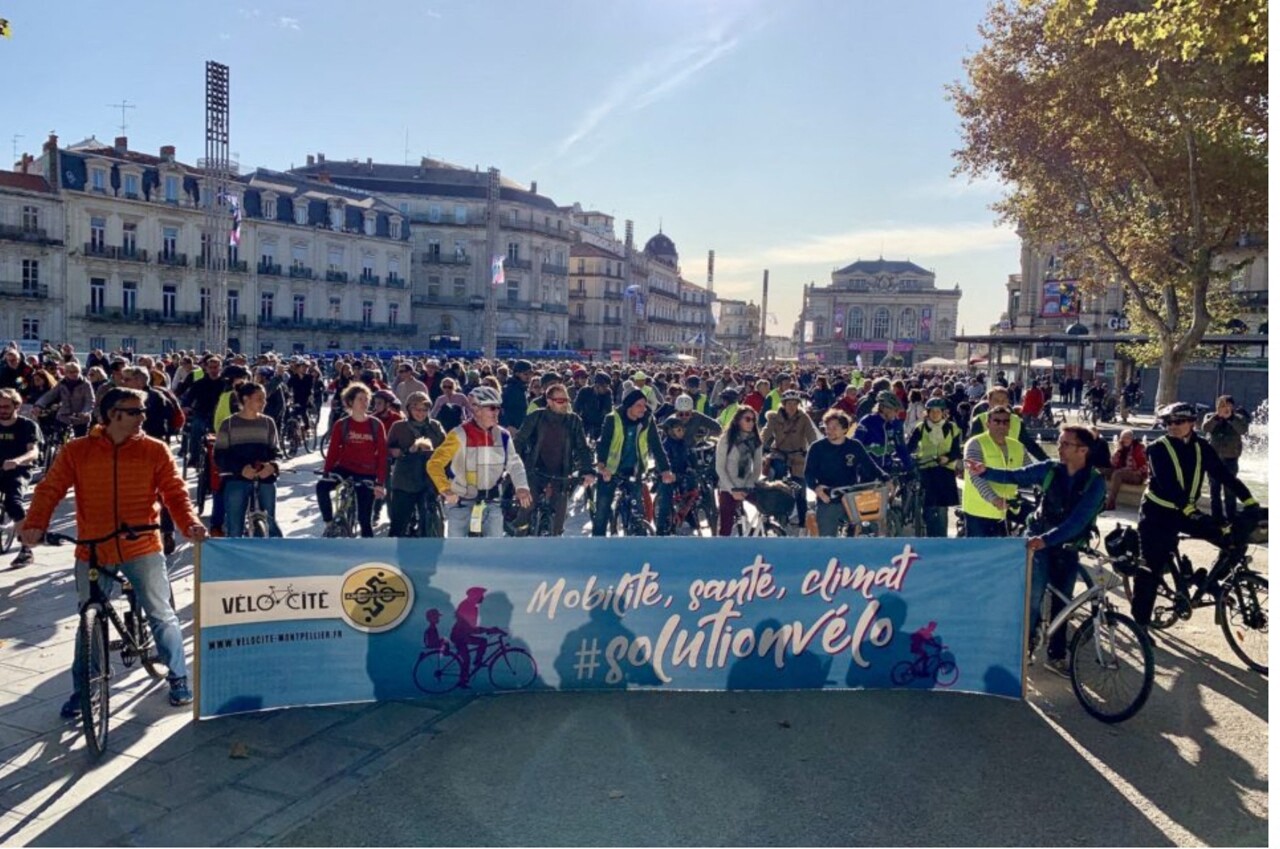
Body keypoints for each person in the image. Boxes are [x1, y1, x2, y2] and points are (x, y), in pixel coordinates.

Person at [20, 387, 206, 715]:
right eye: (135, 411)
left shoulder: (154, 449)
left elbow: (175, 492)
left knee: (161, 613)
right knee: (87, 617)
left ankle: (178, 676)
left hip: (142, 542)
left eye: (142, 411)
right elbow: (50, 488)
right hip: (93, 546)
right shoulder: (78, 450)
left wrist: (188, 524)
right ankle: (84, 689)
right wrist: (34, 524)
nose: (142, 417)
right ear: (112, 414)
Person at [967, 425, 1107, 676]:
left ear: (1083, 450)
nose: (1060, 448)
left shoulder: (1096, 483)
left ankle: (1056, 655)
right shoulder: (1050, 469)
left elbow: (1077, 522)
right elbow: (1015, 476)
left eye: (1066, 444)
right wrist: (986, 471)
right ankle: (1024, 649)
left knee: (1064, 604)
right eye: (1061, 443)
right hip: (1038, 540)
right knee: (1032, 596)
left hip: (1064, 543)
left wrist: (1047, 539)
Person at [1130, 402, 1259, 628]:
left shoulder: (1202, 447)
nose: (1173, 427)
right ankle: (1140, 626)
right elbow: (1168, 484)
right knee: (1150, 570)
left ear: (1192, 423)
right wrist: (1191, 511)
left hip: (1186, 512)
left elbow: (1223, 475)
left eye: (1179, 422)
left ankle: (1206, 581)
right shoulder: (1157, 449)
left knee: (1235, 542)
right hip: (1158, 514)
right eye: (1168, 423)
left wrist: (1249, 500)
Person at [428, 386, 531, 537]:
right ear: (476, 409)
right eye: (492, 408)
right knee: (457, 551)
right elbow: (434, 464)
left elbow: (514, 463)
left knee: (493, 550)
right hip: (461, 502)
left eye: (498, 408)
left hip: (491, 501)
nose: (497, 412)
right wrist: (445, 489)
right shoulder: (458, 434)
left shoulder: (503, 435)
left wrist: (521, 486)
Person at [514, 382, 595, 536]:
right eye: (560, 401)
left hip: (561, 474)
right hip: (535, 471)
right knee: (527, 507)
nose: (565, 404)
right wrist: (516, 464)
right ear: (549, 401)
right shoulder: (536, 417)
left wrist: (587, 470)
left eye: (567, 400)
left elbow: (582, 448)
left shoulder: (573, 420)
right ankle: (519, 539)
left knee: (558, 521)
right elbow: (519, 441)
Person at [592, 389, 674, 536]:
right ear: (629, 406)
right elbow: (603, 444)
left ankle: (638, 541)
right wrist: (602, 466)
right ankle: (598, 544)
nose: (644, 408)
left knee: (638, 514)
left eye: (645, 405)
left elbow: (656, 446)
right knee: (602, 513)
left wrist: (665, 470)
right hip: (611, 471)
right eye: (639, 405)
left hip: (634, 470)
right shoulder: (613, 419)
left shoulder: (647, 420)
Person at [317, 382, 388, 538]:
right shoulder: (342, 424)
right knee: (321, 488)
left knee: (364, 520)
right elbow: (333, 452)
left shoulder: (376, 425)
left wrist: (380, 483)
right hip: (345, 468)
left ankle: (367, 555)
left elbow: (382, 455)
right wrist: (327, 472)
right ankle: (329, 523)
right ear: (350, 402)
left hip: (366, 472)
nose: (365, 403)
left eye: (367, 399)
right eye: (360, 399)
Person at [803, 409, 888, 537]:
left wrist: (886, 478)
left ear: (844, 429)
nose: (829, 431)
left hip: (852, 496)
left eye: (834, 427)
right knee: (826, 538)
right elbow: (808, 473)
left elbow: (871, 467)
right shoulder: (817, 448)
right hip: (829, 498)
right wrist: (817, 489)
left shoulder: (854, 446)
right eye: (827, 428)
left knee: (870, 528)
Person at [215, 382, 283, 538]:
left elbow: (276, 451)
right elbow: (220, 455)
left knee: (271, 522)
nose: (264, 402)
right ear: (246, 399)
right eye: (259, 398)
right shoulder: (229, 424)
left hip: (264, 477)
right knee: (235, 526)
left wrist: (272, 466)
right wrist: (241, 469)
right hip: (237, 477)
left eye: (264, 399)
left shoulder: (268, 422)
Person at [960, 405, 1030, 537]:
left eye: (1005, 422)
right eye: (997, 421)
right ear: (988, 424)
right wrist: (994, 499)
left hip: (1006, 510)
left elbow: (1030, 473)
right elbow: (976, 476)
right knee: (979, 555)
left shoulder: (1018, 446)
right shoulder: (975, 443)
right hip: (978, 511)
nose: (1001, 425)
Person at [387, 392, 448, 538]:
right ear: (409, 409)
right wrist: (404, 451)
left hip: (428, 480)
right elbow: (388, 450)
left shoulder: (435, 426)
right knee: (398, 525)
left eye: (424, 409)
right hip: (405, 480)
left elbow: (446, 450)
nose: (420, 413)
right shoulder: (399, 427)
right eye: (416, 409)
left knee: (431, 521)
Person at [761, 390, 820, 526]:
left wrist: (815, 449)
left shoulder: (803, 418)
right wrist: (758, 444)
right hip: (779, 454)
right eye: (789, 403)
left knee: (801, 487)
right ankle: (776, 510)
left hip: (798, 455)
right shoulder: (774, 418)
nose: (792, 407)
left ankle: (803, 519)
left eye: (795, 403)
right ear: (783, 404)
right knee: (777, 478)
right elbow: (765, 434)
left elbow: (811, 435)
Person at [906, 398, 963, 537]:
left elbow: (957, 451)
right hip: (926, 466)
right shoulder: (921, 427)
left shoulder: (953, 428)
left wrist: (947, 458)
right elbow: (910, 447)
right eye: (932, 411)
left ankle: (941, 535)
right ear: (927, 413)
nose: (935, 414)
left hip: (945, 468)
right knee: (929, 504)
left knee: (942, 506)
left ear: (944, 413)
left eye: (938, 411)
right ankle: (926, 525)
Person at [0, 388, 41, 567]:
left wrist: (17, 461)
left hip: (18, 469)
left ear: (16, 406)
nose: (2, 410)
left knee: (13, 503)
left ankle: (26, 549)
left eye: (6, 406)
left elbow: (33, 451)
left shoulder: (27, 425)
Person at [715, 407, 765, 536]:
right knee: (726, 527)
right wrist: (732, 490)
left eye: (753, 420)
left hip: (747, 485)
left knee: (766, 506)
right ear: (738, 421)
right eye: (747, 419)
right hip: (728, 487)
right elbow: (720, 468)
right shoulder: (726, 439)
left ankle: (762, 532)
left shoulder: (755, 440)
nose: (751, 423)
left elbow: (757, 468)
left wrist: (748, 486)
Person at [1202, 395, 1251, 522]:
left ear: (1232, 406)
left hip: (1230, 459)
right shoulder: (1211, 416)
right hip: (1214, 460)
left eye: (1226, 405)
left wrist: (1230, 417)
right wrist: (1217, 417)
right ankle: (1217, 518)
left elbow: (1242, 430)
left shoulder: (1239, 418)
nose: (1224, 408)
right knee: (1214, 490)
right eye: (1221, 405)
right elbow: (1205, 428)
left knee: (1230, 490)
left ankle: (1231, 517)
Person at [968, 385, 1048, 461]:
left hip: (1012, 470)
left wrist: (1049, 462)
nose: (1000, 403)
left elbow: (1030, 445)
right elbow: (973, 447)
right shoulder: (980, 420)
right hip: (988, 470)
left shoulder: (1016, 421)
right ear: (989, 401)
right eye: (996, 400)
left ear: (1007, 402)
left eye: (1003, 400)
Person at [33, 360, 95, 438]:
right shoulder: (62, 383)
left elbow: (90, 400)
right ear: (66, 373)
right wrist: (39, 405)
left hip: (80, 418)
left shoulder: (86, 384)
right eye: (71, 372)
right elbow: (50, 395)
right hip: (64, 416)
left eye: (76, 371)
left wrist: (85, 412)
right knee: (58, 438)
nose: (74, 374)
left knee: (80, 441)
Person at [451, 587, 498, 687]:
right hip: (459, 636)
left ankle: (477, 662)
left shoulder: (471, 607)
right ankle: (462, 681)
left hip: (464, 634)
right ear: (475, 596)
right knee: (466, 659)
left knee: (482, 642)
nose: (483, 597)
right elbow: (470, 628)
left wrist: (487, 630)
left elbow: (472, 628)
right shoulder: (467, 607)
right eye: (481, 595)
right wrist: (487, 630)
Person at [855, 391, 914, 472]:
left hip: (888, 468)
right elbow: (856, 444)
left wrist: (910, 467)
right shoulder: (867, 421)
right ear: (882, 408)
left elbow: (901, 447)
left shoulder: (896, 424)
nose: (896, 414)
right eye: (894, 410)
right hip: (869, 469)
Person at [1104, 428, 1149, 511]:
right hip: (1121, 472)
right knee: (1102, 471)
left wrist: (1136, 472)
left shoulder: (1139, 448)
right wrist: (1118, 451)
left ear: (1132, 438)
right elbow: (1113, 464)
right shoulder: (1121, 449)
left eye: (1127, 437)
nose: (1125, 440)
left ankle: (1110, 503)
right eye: (1123, 438)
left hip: (1136, 475)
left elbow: (1146, 464)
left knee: (1117, 474)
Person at [574, 372, 615, 442]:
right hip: (584, 422)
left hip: (599, 424)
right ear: (597, 385)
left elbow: (608, 411)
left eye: (607, 386)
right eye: (604, 386)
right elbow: (576, 408)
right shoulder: (584, 391)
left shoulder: (608, 393)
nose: (606, 388)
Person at [502, 360, 534, 431]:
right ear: (517, 374)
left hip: (521, 428)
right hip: (512, 429)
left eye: (530, 373)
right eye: (526, 374)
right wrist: (508, 425)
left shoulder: (523, 388)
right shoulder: (510, 389)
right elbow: (502, 409)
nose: (529, 376)